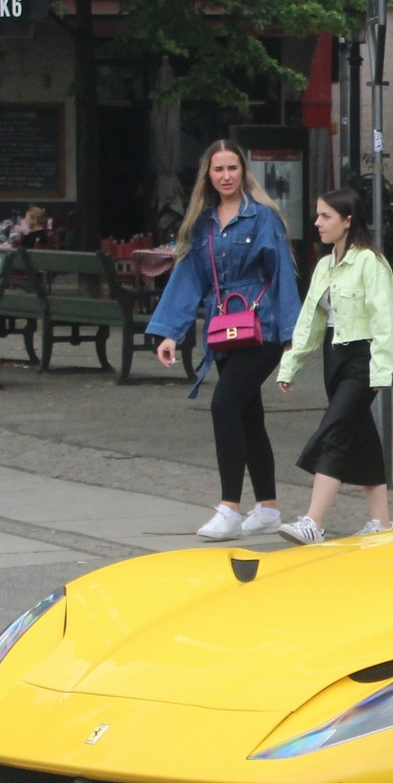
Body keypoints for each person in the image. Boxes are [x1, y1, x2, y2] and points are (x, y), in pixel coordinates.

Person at [146, 141, 300, 540]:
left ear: (243, 171)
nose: (227, 176)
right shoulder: (202, 222)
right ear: (208, 176)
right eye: (219, 169)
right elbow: (189, 277)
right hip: (222, 329)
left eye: (233, 168)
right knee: (249, 417)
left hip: (260, 326)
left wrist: (290, 336)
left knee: (224, 405)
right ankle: (267, 508)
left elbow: (282, 273)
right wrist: (169, 332)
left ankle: (229, 508)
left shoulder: (262, 217)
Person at [275, 190, 393, 544]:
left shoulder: (370, 263)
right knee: (360, 437)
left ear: (348, 221)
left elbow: (383, 320)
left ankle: (313, 522)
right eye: (317, 215)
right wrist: (290, 365)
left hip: (362, 360)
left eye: (326, 217)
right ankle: (381, 521)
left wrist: (381, 372)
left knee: (334, 431)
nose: (317, 223)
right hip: (335, 359)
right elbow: (308, 322)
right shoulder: (324, 266)